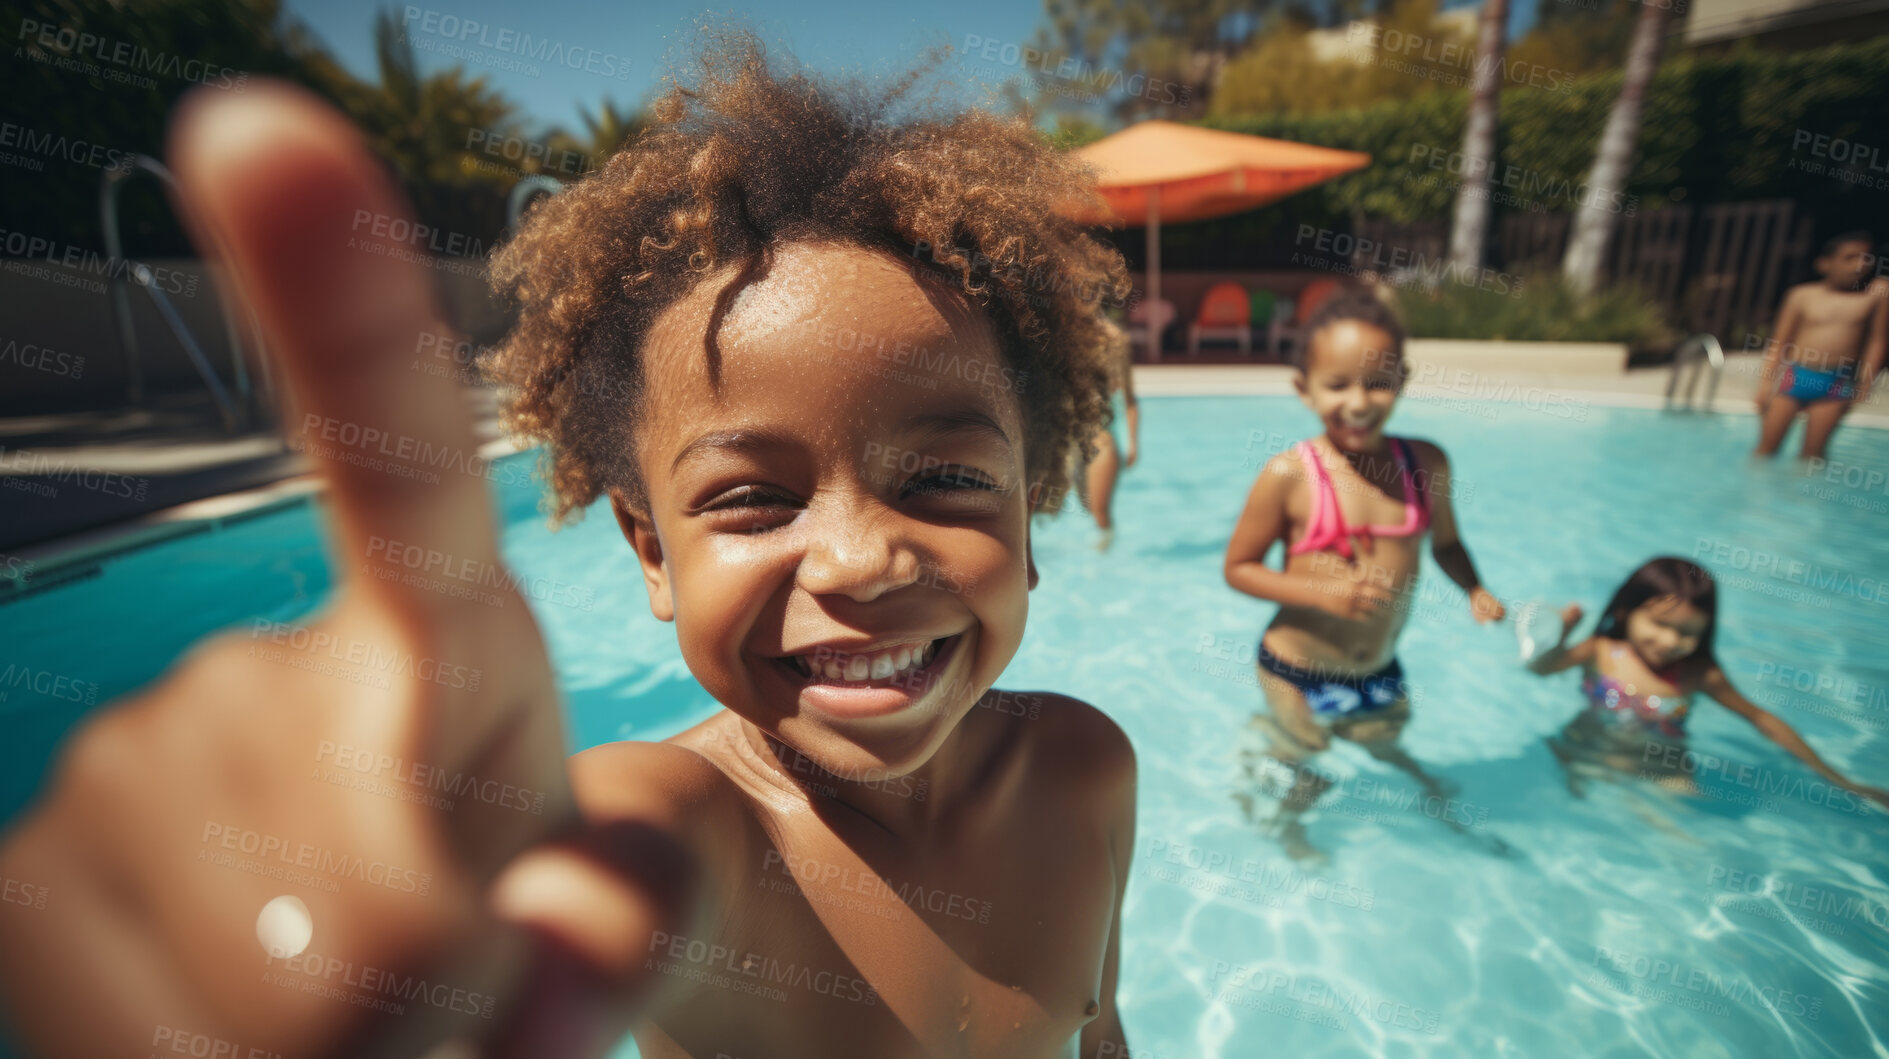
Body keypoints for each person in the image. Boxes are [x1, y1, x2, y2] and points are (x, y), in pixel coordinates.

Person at [0, 39, 1140, 1059]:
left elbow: (1100, 1029)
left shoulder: (1087, 773)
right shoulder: (684, 835)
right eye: (749, 499)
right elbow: (556, 875)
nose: (855, 561)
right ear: (650, 554)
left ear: (1027, 516)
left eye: (944, 479)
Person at [1222, 291, 1505, 860]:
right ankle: (1291, 833)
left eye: (1377, 383)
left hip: (1377, 667)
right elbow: (1239, 568)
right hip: (1296, 668)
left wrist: (1474, 588)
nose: (1358, 401)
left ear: (1402, 379)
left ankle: (1428, 800)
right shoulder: (1289, 475)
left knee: (1386, 743)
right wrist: (1320, 591)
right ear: (1303, 387)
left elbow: (1447, 542)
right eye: (1337, 384)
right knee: (1304, 759)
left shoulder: (1425, 465)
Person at [1528, 557, 1889, 809]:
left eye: (1687, 633)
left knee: (1685, 839)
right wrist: (1559, 637)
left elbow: (1762, 720)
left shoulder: (1697, 674)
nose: (1671, 641)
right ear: (1625, 611)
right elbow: (1541, 669)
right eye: (1660, 624)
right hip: (1586, 747)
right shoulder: (1602, 651)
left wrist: (1841, 782)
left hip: (1663, 766)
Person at [1753, 231, 1889, 460]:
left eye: (1867, 258)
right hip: (1795, 376)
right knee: (1765, 450)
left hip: (1835, 381)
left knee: (1813, 456)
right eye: (1850, 257)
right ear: (1825, 263)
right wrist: (1766, 383)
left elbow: (1878, 341)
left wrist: (1865, 384)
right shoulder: (1802, 295)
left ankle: (1806, 494)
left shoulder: (1876, 294)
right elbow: (1780, 342)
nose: (1859, 265)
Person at [1078, 339, 1140, 550]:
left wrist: (1132, 443)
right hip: (1071, 447)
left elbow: (1130, 402)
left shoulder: (1109, 368)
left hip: (1101, 444)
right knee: (1085, 505)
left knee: (1098, 511)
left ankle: (1104, 550)